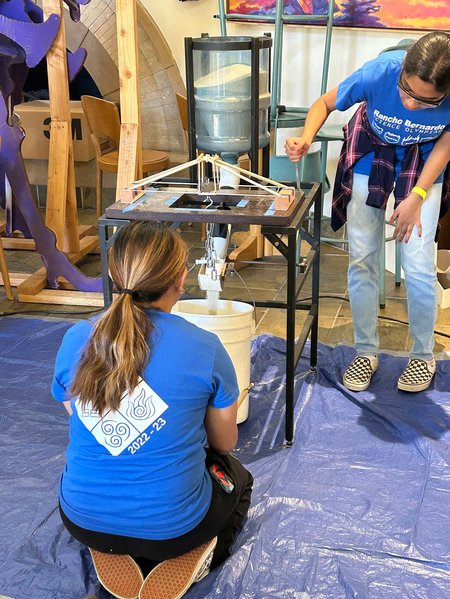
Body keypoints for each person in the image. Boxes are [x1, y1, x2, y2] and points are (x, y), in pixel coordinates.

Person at [51, 221, 253, 599]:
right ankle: (197, 553)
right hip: (175, 530)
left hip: (81, 519)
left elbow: (77, 416)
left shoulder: (78, 336)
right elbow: (224, 443)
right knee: (238, 479)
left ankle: (114, 542)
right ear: (180, 278)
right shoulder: (204, 347)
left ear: (114, 273)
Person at [285, 31, 450, 393]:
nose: (410, 106)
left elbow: (446, 143)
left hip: (423, 159)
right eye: (407, 92)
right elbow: (324, 104)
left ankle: (423, 356)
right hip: (372, 149)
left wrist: (418, 195)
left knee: (420, 266)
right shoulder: (379, 72)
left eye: (427, 103)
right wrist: (306, 137)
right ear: (402, 71)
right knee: (362, 257)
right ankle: (365, 351)